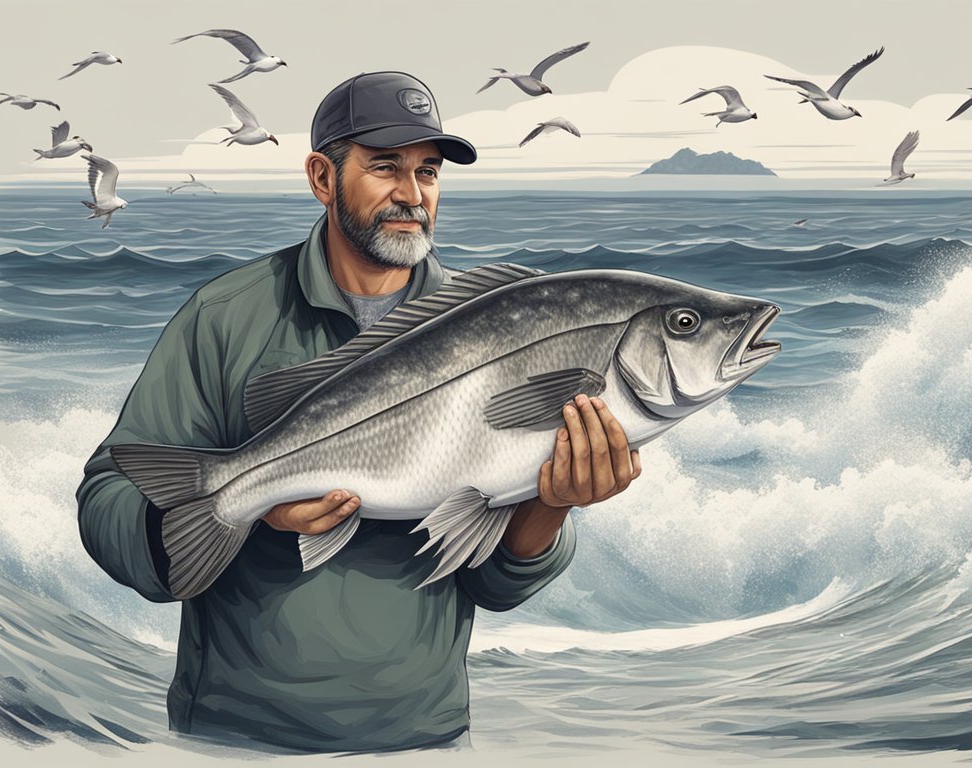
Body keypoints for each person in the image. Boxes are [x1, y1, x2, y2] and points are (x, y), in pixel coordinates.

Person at [76, 71, 642, 753]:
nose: (413, 195)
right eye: (384, 167)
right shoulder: (226, 316)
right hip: (236, 737)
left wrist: (551, 506)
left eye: (428, 171)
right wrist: (255, 509)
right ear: (321, 177)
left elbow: (492, 584)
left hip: (425, 735)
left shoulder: (494, 322)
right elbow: (107, 498)